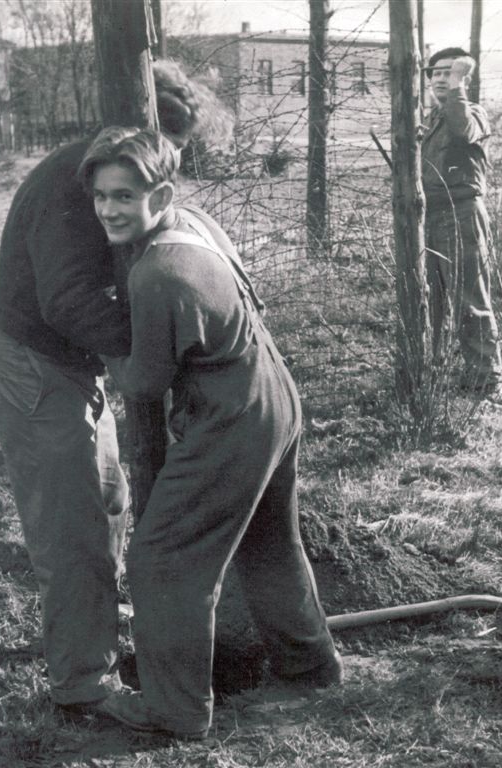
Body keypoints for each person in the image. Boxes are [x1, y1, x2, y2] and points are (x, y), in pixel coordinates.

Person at [0, 60, 232, 710]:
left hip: (67, 366)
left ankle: (95, 632)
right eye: (170, 146)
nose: (168, 164)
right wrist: (149, 342)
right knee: (74, 530)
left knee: (110, 501)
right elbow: (67, 301)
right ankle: (84, 683)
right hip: (34, 368)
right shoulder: (74, 183)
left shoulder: (108, 171)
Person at [76, 127, 343, 739]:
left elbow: (144, 383)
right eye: (100, 196)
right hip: (275, 393)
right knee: (270, 541)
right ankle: (311, 669)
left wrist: (103, 336)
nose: (109, 209)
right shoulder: (193, 222)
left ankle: (174, 709)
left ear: (162, 192)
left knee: (163, 558)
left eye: (125, 195)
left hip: (231, 417)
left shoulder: (158, 272)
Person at [422, 47, 502, 401]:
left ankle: (488, 385)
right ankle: (433, 378)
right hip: (428, 217)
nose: (441, 79)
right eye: (436, 73)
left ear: (462, 79)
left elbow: (463, 130)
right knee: (430, 301)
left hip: (461, 215)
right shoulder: (431, 122)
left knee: (470, 300)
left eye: (449, 73)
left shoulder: (471, 112)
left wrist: (458, 86)